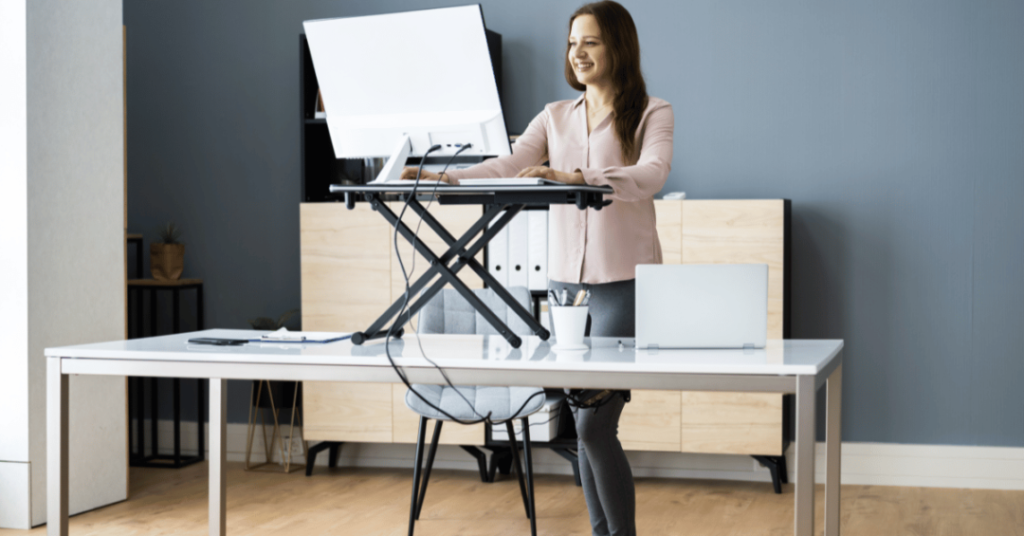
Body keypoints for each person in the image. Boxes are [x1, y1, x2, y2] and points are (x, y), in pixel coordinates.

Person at [402, 2, 672, 534]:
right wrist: (446, 178)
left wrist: (578, 178)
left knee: (596, 424)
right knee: (579, 427)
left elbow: (653, 172)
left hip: (625, 283)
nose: (579, 52)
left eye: (591, 41)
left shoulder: (651, 111)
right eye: (573, 42)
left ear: (618, 46)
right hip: (565, 288)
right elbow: (508, 164)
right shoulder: (554, 116)